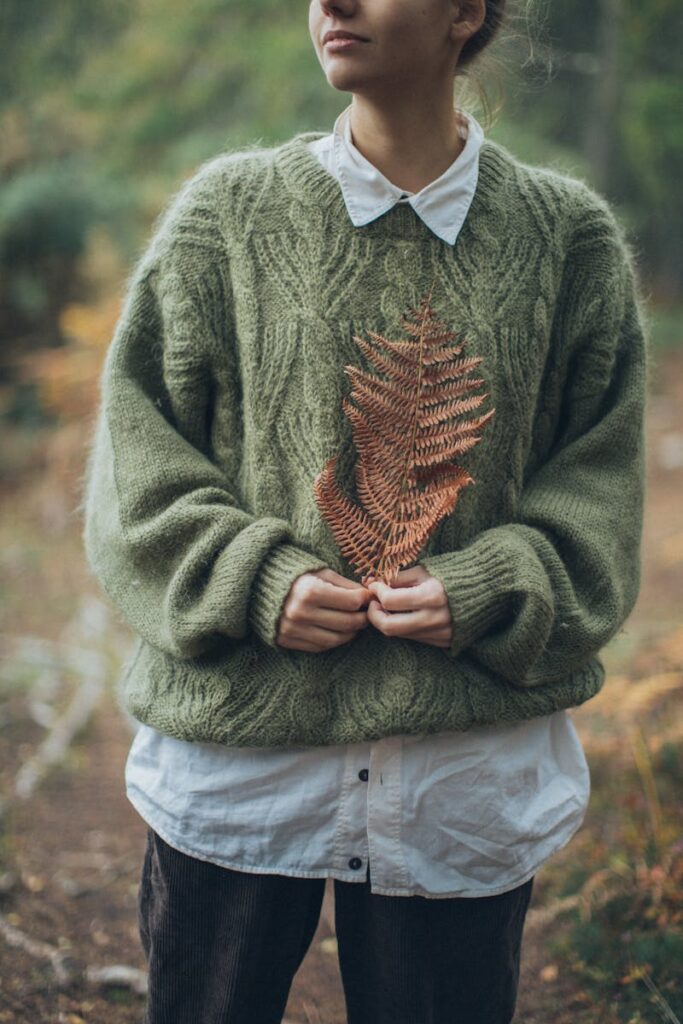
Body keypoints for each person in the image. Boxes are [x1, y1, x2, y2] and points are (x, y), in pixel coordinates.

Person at [81, 0, 649, 1022]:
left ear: (464, 12)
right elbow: (138, 458)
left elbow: (596, 487)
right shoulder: (225, 214)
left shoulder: (565, 239)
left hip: (456, 783)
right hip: (240, 768)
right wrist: (254, 575)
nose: (330, 4)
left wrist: (492, 583)